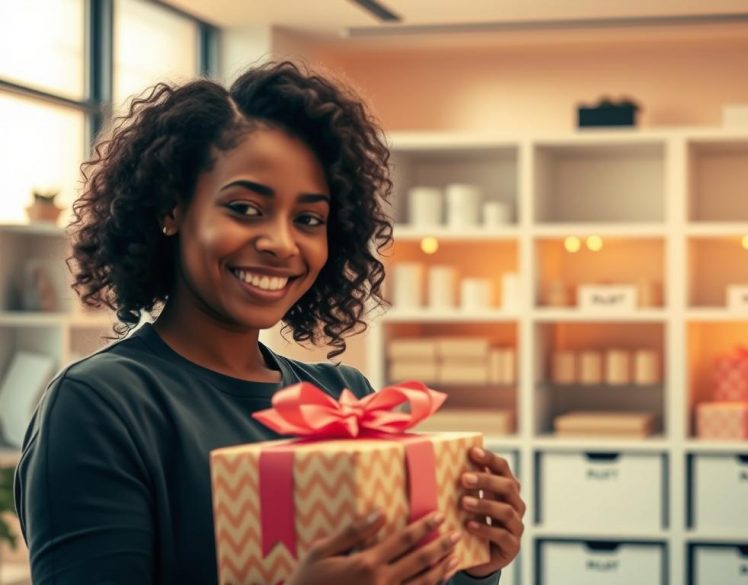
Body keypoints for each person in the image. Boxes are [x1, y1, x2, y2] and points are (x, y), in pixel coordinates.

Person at [14, 61, 524, 585]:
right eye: (245, 207)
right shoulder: (102, 404)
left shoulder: (343, 397)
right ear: (172, 210)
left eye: (308, 219)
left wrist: (473, 566)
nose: (282, 243)